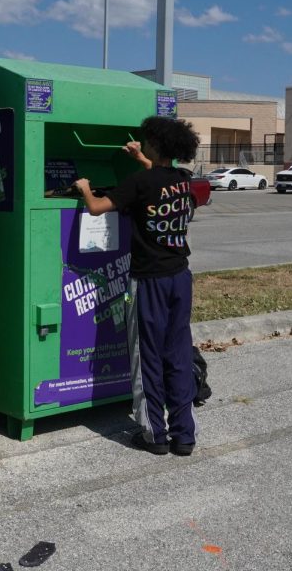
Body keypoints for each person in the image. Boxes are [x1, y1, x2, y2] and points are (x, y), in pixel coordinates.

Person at [74, 115, 201, 457]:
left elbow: (98, 207)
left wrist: (84, 187)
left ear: (156, 145)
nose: (142, 143)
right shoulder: (183, 180)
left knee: (146, 356)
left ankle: (154, 434)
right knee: (176, 354)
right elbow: (157, 180)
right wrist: (142, 160)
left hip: (149, 281)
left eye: (146, 141)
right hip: (180, 277)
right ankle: (184, 435)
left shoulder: (138, 183)